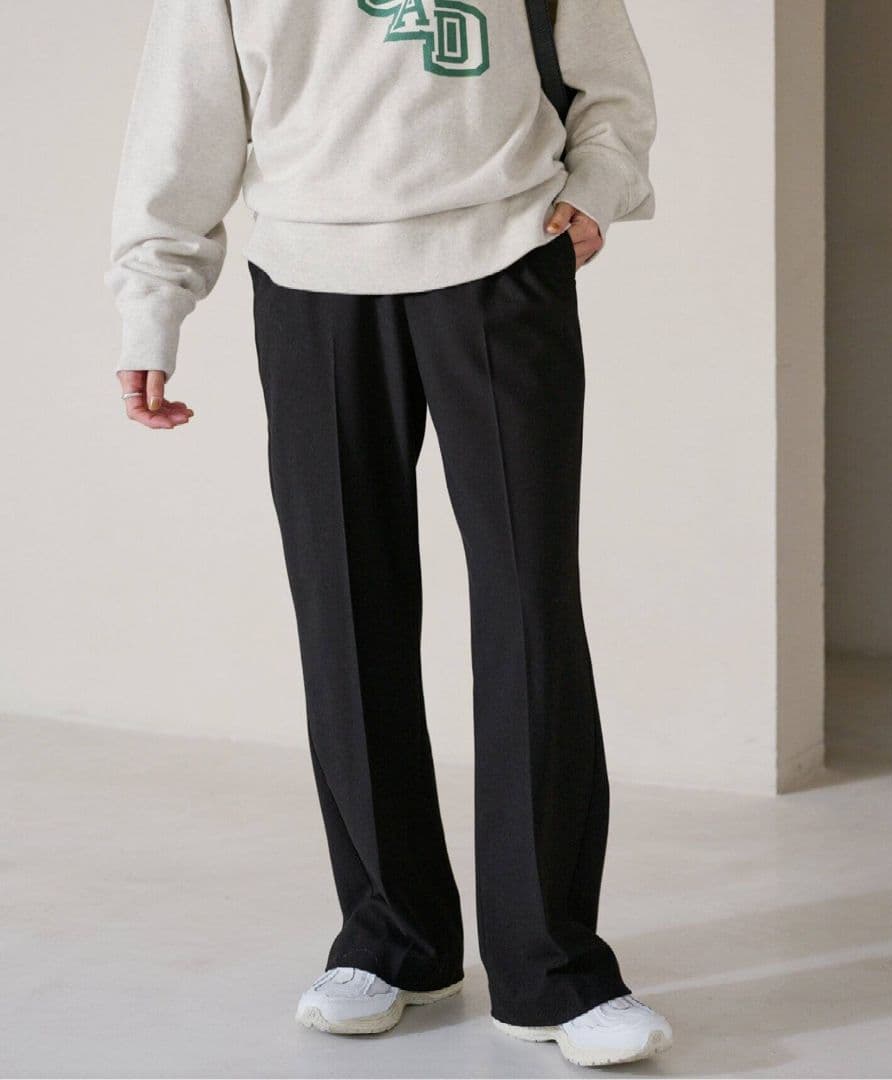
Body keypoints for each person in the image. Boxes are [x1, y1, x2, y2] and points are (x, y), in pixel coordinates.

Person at [106, 0, 670, 1067]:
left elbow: (609, 78)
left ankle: (553, 968)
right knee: (345, 612)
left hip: (504, 255)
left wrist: (598, 186)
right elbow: (184, 116)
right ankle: (393, 940)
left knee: (530, 612)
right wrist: (154, 300)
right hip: (310, 278)